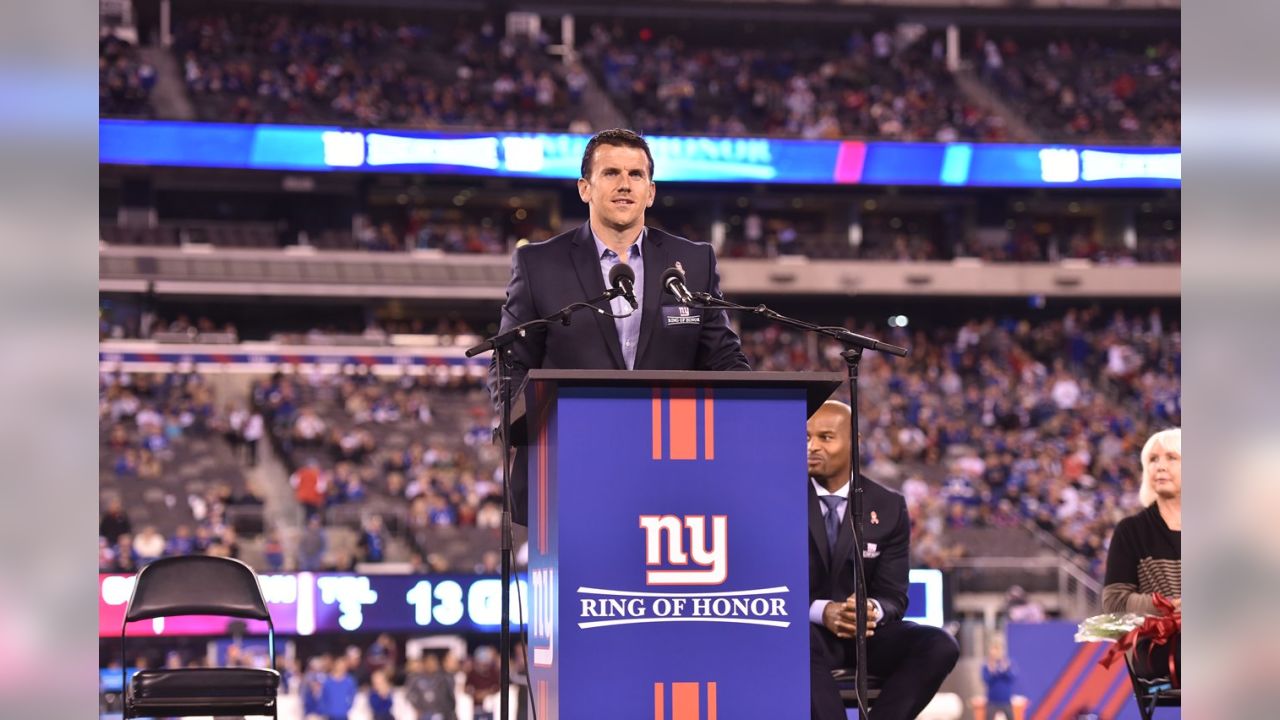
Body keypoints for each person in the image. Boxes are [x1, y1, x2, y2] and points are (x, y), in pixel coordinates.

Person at [488, 128, 749, 523]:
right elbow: (510, 364)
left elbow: (723, 358)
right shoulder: (539, 264)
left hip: (672, 469)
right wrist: (531, 426)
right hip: (568, 467)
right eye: (611, 173)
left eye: (636, 175)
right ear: (584, 188)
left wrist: (757, 414)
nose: (625, 185)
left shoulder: (693, 261)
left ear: (651, 191)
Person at [806, 401, 958, 720]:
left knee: (940, 644)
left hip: (866, 637)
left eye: (825, 437)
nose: (812, 446)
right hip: (806, 633)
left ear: (855, 442)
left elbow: (893, 597)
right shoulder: (780, 497)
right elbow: (770, 590)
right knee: (793, 636)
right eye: (806, 438)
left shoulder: (888, 506)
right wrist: (823, 611)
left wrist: (870, 609)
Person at [1102, 427, 1181, 615]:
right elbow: (1114, 603)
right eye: (1153, 459)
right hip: (1159, 644)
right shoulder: (1131, 531)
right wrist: (1168, 605)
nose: (1160, 466)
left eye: (1171, 457)